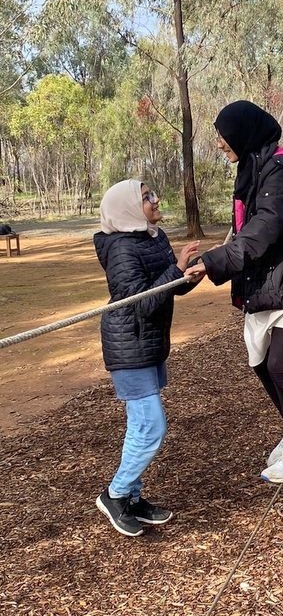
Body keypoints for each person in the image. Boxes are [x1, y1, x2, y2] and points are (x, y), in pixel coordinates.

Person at [187, 101, 283, 483]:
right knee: (260, 362)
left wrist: (217, 262)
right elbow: (246, 227)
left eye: (223, 135)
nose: (219, 143)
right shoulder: (255, 169)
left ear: (244, 133)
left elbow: (265, 227)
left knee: (279, 363)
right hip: (268, 283)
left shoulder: (281, 172)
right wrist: (211, 261)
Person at [93, 179, 202, 537]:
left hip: (149, 343)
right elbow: (142, 302)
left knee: (140, 427)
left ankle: (133, 498)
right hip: (129, 345)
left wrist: (189, 273)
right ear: (127, 208)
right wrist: (175, 271)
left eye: (153, 193)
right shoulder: (123, 248)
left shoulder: (152, 236)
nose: (155, 200)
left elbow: (168, 285)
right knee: (151, 426)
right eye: (146, 197)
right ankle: (116, 494)